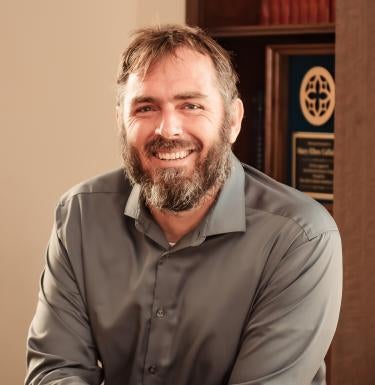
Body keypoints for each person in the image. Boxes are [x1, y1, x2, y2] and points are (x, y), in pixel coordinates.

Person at [25, 24, 342, 385]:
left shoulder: (300, 239)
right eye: (146, 107)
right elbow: (55, 372)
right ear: (121, 120)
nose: (167, 129)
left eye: (191, 105)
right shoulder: (79, 216)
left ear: (234, 120)